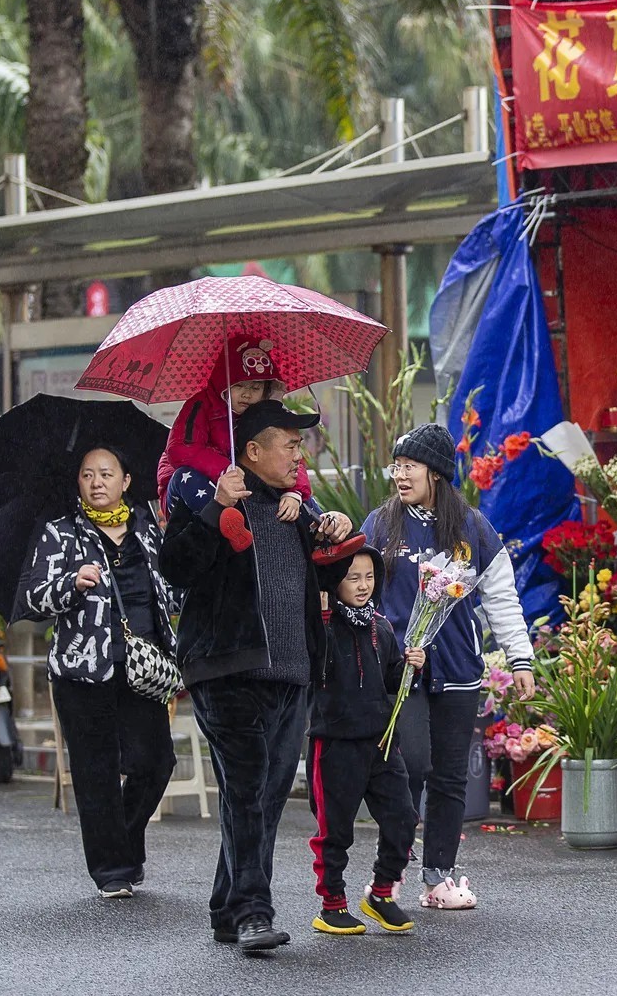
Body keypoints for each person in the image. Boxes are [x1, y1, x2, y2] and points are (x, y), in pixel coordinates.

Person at [159, 399, 354, 954]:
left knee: (266, 798)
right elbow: (175, 569)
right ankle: (252, 913)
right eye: (289, 444)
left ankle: (226, 907)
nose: (299, 453)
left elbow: (341, 573)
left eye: (300, 444)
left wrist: (337, 528)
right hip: (228, 670)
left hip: (292, 674)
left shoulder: (297, 509)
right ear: (252, 450)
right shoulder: (214, 497)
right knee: (246, 792)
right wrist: (214, 508)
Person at [361, 423, 535, 910]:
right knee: (409, 766)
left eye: (409, 465)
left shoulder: (473, 528)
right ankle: (388, 873)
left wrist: (520, 659)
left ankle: (438, 876)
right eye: (396, 465)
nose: (399, 474)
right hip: (402, 672)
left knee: (450, 777)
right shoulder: (379, 525)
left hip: (459, 669)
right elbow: (359, 588)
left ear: (436, 472)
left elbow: (502, 599)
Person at [25, 445, 177, 900]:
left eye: (106, 473)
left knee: (155, 763)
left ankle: (125, 844)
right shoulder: (61, 533)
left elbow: (172, 594)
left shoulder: (149, 531)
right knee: (96, 772)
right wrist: (71, 584)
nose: (96, 482)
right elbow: (35, 599)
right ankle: (112, 869)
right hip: (81, 670)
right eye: (88, 474)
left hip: (142, 667)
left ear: (126, 481)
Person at [307, 547, 422, 936]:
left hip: (381, 742)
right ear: (334, 580)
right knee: (334, 829)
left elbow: (392, 681)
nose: (363, 585)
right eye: (352, 577)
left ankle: (382, 893)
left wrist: (412, 666)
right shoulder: (320, 624)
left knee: (403, 818)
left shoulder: (381, 626)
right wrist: (319, 610)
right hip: (336, 741)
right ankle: (332, 904)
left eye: (369, 577)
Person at [156, 335, 312, 532]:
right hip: (188, 487)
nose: (247, 394)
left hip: (240, 487)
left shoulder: (264, 414)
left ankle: (323, 530)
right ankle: (231, 529)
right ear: (223, 382)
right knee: (185, 476)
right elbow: (180, 449)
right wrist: (225, 469)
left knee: (289, 483)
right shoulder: (201, 405)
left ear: (266, 389)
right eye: (238, 386)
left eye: (255, 388)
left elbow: (290, 456)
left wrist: (295, 493)